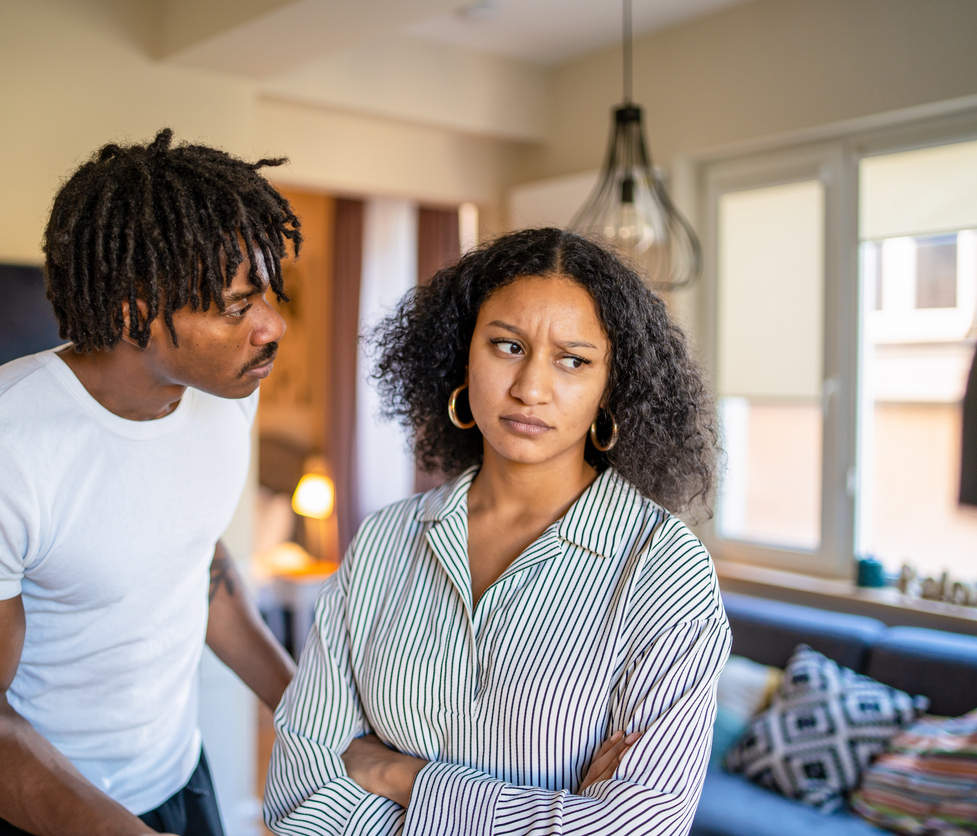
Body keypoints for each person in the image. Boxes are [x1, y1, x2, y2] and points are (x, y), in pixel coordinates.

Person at [264, 228, 730, 835]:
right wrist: (553, 813)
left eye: (574, 360)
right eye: (507, 346)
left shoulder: (663, 569)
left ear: (610, 390)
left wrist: (401, 777)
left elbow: (633, 827)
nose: (530, 388)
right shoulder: (384, 540)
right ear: (463, 354)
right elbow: (295, 792)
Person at [0, 129, 300, 836]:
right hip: (25, 809)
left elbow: (196, 561)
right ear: (131, 311)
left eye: (269, 290)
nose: (272, 325)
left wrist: (309, 713)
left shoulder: (229, 397)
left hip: (182, 782)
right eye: (237, 306)